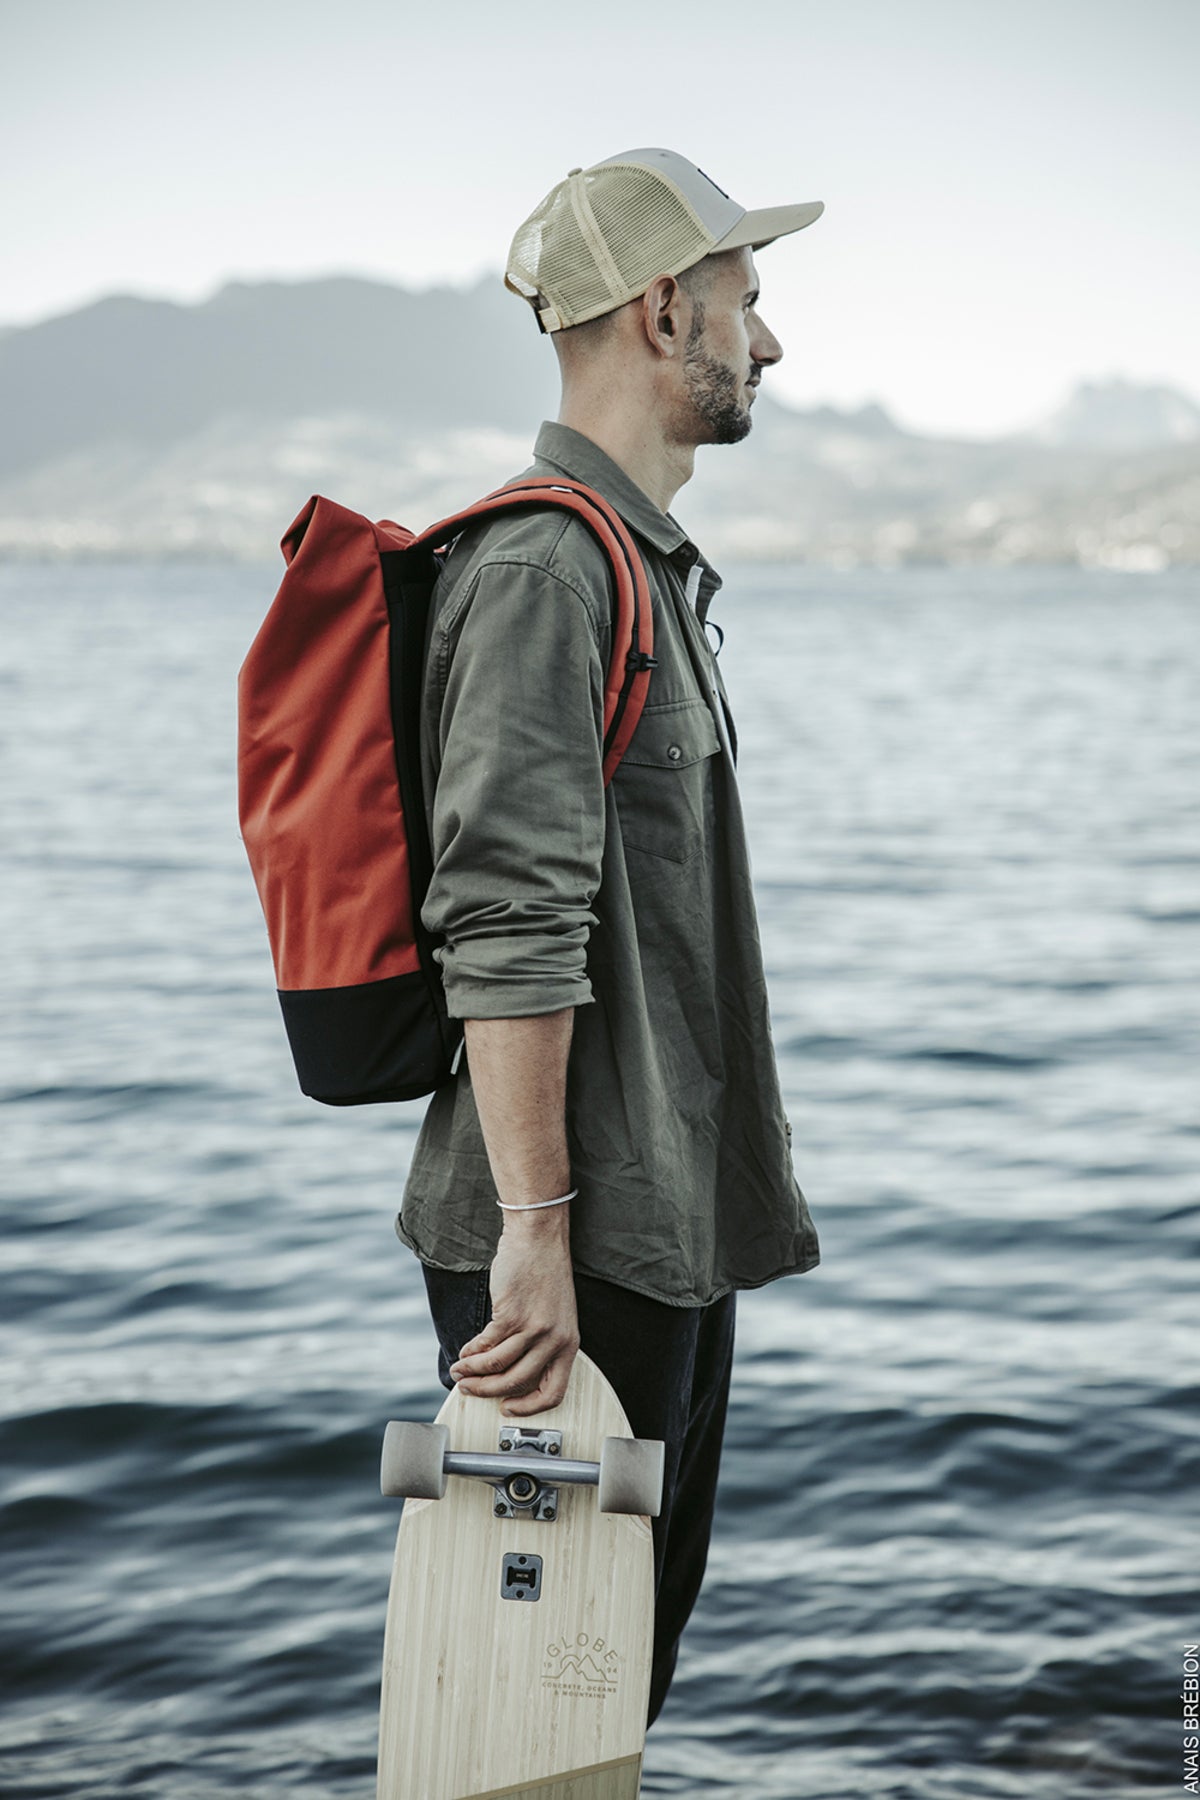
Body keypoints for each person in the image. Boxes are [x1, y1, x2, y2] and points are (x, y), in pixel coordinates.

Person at [394, 147, 824, 1724]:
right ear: (663, 314)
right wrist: (539, 1236)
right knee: (540, 1717)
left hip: (651, 1227)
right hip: (575, 1254)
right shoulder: (544, 570)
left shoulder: (631, 566)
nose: (767, 343)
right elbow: (506, 918)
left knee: (605, 1701)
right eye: (746, 303)